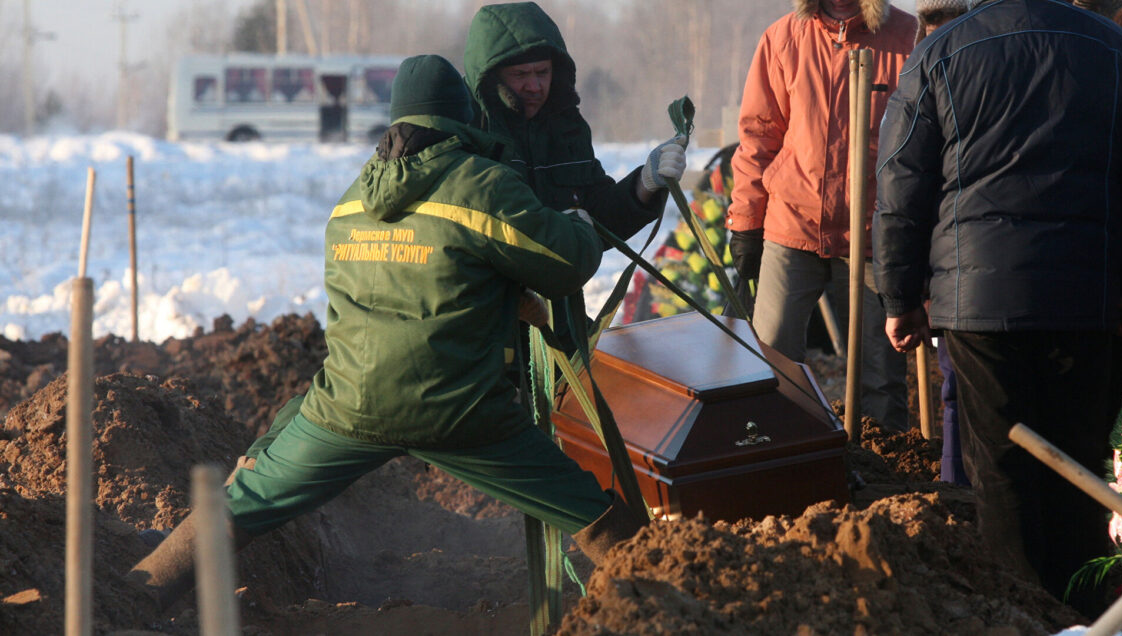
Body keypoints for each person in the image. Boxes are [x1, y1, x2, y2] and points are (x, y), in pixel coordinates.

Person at [126, 54, 645, 611]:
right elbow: (565, 262)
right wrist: (584, 226)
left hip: (348, 407)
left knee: (246, 501)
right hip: (461, 412)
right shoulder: (483, 184)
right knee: (586, 507)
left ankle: (131, 595)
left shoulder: (350, 201)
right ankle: (668, 585)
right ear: (464, 115)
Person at [873, 0, 1122, 615]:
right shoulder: (1113, 49)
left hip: (980, 301)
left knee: (1001, 475)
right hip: (1087, 295)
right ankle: (1085, 616)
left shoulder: (941, 51)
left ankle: (1022, 613)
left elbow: (902, 183)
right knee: (1079, 467)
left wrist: (901, 297)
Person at [725, 0, 917, 432]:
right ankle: (781, 459)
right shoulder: (783, 38)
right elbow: (758, 137)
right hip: (794, 224)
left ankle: (883, 473)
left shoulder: (907, 38)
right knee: (771, 358)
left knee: (880, 374)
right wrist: (746, 223)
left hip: (874, 233)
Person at [462, 1, 687, 352]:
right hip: (487, 333)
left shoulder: (567, 129)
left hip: (560, 325)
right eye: (521, 75)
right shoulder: (467, 133)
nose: (535, 86)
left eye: (543, 72)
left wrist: (645, 183)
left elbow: (596, 219)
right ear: (490, 79)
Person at [915, 0, 972, 486]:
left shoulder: (970, 73)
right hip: (954, 264)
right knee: (955, 385)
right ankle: (956, 488)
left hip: (966, 262)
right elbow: (909, 187)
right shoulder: (926, 75)